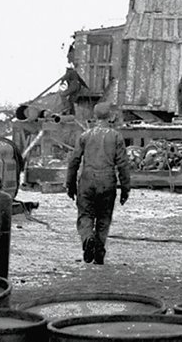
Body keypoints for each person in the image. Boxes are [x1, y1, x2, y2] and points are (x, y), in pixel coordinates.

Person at [65, 102, 130, 265]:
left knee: (85, 215)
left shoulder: (85, 136)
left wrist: (70, 184)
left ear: (95, 116)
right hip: (107, 181)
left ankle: (87, 239)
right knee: (104, 217)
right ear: (111, 117)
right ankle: (99, 251)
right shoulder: (116, 137)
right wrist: (125, 189)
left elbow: (74, 161)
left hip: (87, 180)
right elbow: (122, 165)